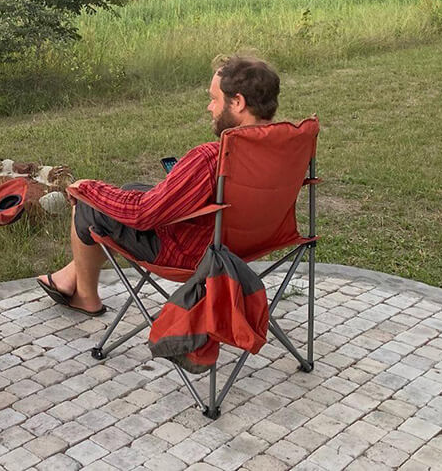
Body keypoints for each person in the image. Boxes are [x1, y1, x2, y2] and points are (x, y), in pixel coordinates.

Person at [37, 55, 280, 315]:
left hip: (194, 254)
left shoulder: (213, 159)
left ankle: (86, 298)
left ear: (238, 102)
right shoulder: (284, 148)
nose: (210, 107)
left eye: (214, 99)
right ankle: (67, 276)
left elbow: (142, 214)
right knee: (130, 187)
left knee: (89, 205)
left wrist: (87, 188)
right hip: (243, 245)